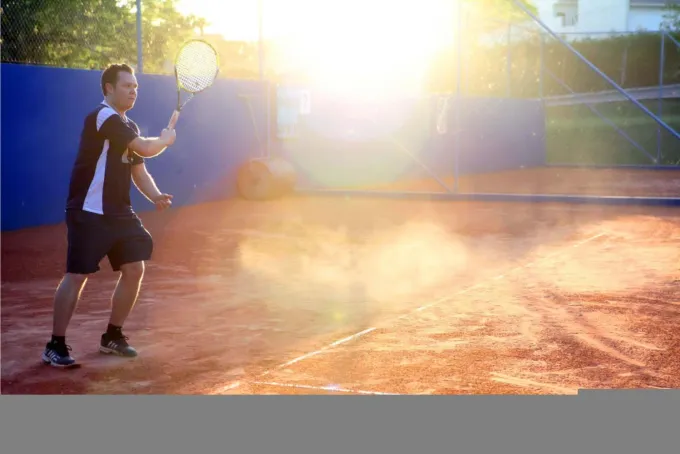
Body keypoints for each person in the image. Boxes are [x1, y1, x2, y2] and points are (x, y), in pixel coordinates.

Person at [42, 63, 180, 368]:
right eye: (126, 86)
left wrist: (155, 195)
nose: (132, 91)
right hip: (88, 210)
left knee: (135, 268)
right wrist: (164, 141)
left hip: (119, 213)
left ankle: (113, 336)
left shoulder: (127, 125)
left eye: (135, 87)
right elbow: (145, 148)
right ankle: (56, 344)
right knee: (77, 275)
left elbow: (139, 170)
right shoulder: (103, 116)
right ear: (108, 89)